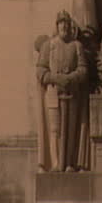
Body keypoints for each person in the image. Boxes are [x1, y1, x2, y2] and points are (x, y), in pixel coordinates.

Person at [35, 10, 88, 172]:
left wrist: (71, 78)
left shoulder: (76, 46)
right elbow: (40, 71)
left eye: (66, 22)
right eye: (61, 22)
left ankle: (70, 163)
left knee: (71, 129)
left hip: (71, 92)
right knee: (55, 129)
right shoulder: (48, 46)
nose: (64, 25)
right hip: (53, 93)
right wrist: (56, 78)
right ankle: (56, 162)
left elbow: (83, 69)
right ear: (57, 26)